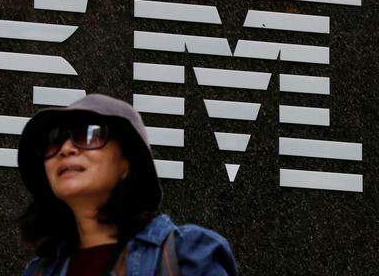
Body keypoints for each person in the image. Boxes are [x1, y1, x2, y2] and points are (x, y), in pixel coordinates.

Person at [16, 93, 238, 275]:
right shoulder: (40, 271)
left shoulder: (188, 254)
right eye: (54, 140)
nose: (66, 149)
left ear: (128, 161)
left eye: (89, 134)